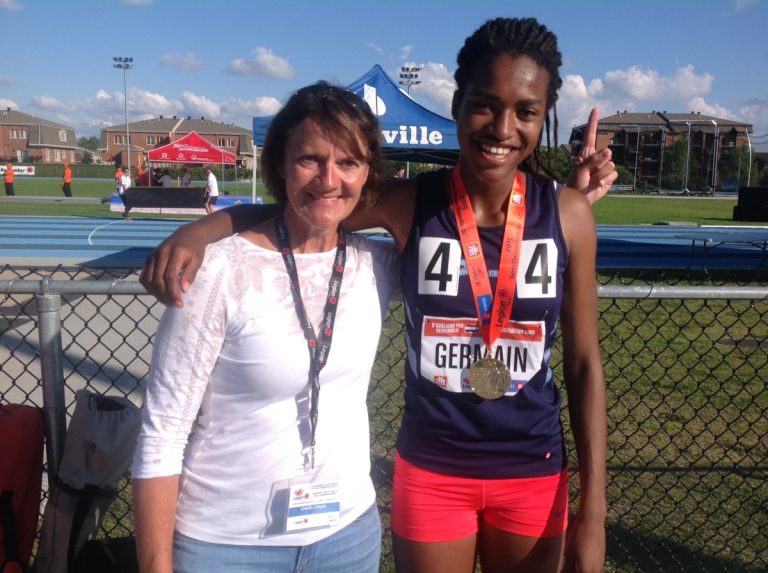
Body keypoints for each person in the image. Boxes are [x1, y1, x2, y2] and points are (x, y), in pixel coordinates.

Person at [140, 17, 616, 573]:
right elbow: (312, 204)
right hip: (433, 470)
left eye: (526, 111)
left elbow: (584, 364)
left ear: (543, 119)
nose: (503, 126)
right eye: (486, 104)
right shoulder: (407, 202)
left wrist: (594, 513)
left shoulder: (570, 214)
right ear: (458, 103)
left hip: (532, 467)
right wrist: (207, 228)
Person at [132, 81, 399, 573]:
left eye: (349, 162)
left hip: (346, 537)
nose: (328, 178)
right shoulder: (219, 270)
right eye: (309, 159)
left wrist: (568, 199)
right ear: (280, 163)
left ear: (368, 174)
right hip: (226, 545)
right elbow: (162, 431)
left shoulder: (376, 264)